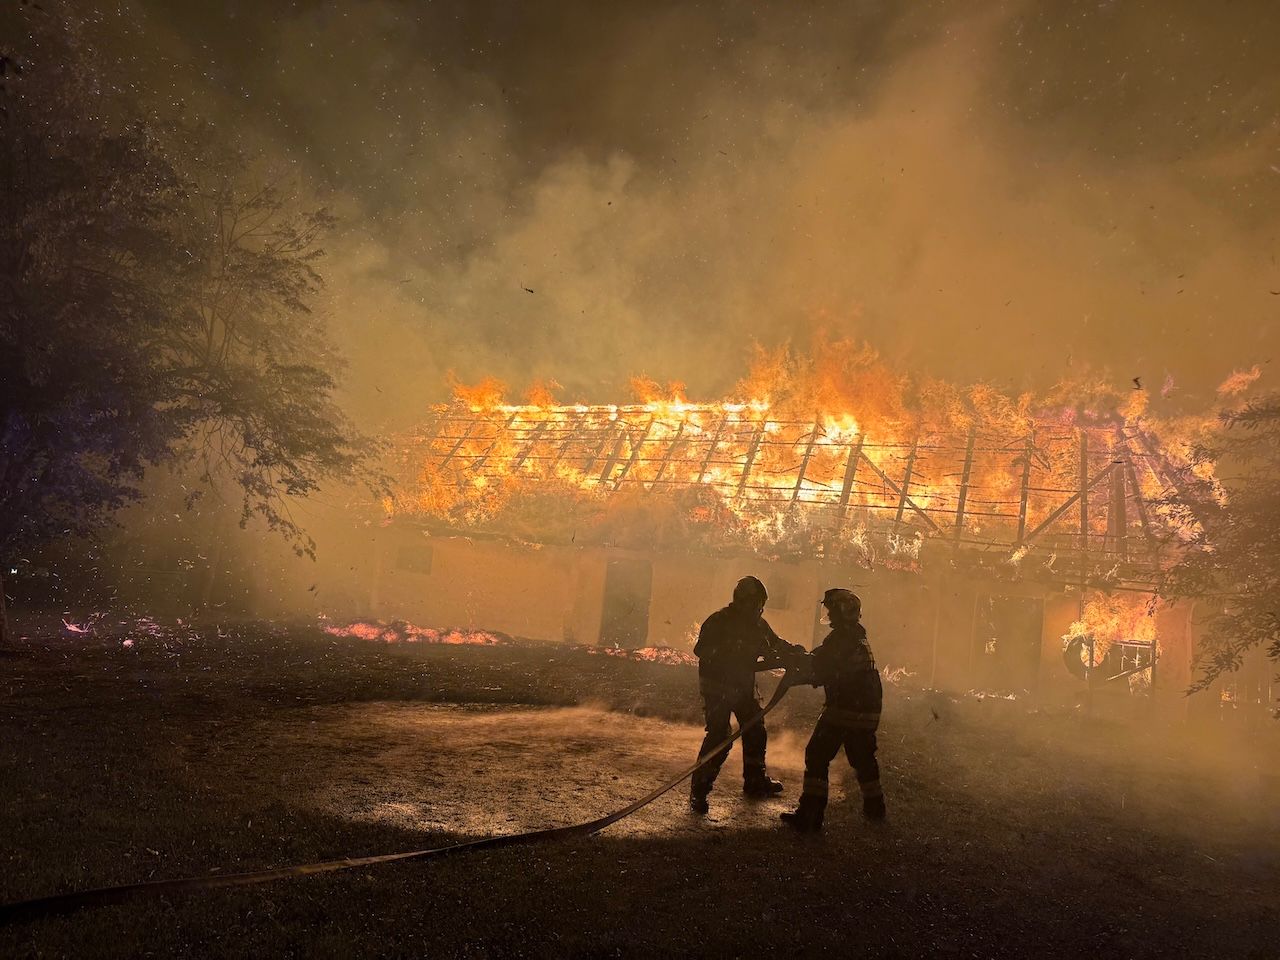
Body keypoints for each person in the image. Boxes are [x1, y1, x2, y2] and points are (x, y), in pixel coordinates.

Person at [689, 576, 804, 813]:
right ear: (742, 602)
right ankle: (699, 790)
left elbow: (774, 643)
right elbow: (701, 650)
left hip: (743, 687)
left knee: (755, 730)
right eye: (755, 605)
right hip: (717, 688)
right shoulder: (718, 621)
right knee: (720, 736)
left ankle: (755, 781)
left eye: (760, 606)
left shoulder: (758, 625)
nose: (758, 611)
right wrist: (732, 653)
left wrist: (794, 652)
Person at [781, 588, 885, 832]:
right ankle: (875, 808)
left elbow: (822, 667)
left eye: (831, 610)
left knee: (816, 755)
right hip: (865, 711)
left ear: (841, 612)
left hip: (845, 709)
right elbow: (824, 659)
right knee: (863, 759)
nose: (829, 614)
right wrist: (802, 657)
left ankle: (811, 814)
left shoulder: (842, 639)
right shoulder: (855, 637)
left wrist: (797, 672)